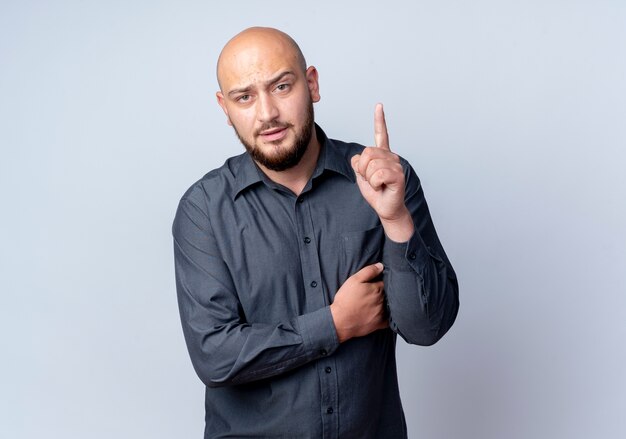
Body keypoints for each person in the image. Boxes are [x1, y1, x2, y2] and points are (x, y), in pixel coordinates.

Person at [172, 26, 459, 439]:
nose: (267, 112)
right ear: (225, 107)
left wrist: (396, 221)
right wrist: (336, 323)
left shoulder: (381, 179)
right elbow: (215, 356)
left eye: (282, 86)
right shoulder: (204, 210)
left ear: (312, 84)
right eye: (245, 97)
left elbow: (427, 327)